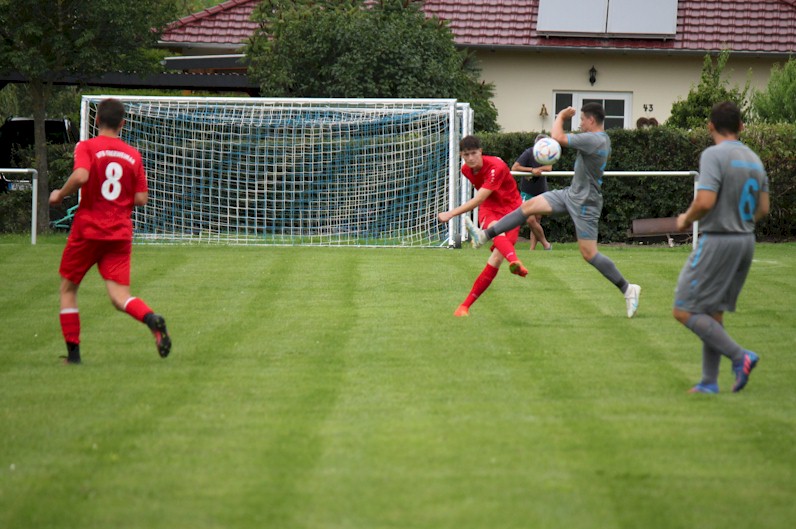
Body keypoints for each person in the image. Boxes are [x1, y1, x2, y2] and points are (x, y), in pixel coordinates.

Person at [465, 103, 641, 318]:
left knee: (589, 254)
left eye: (582, 120)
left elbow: (557, 137)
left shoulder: (595, 139)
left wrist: (561, 116)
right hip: (570, 194)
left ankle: (628, 288)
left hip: (586, 203)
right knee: (528, 206)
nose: (580, 124)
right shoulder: (597, 139)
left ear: (591, 120)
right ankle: (485, 235)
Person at [49, 98, 171, 364]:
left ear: (96, 120)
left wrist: (60, 194)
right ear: (123, 124)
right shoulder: (132, 155)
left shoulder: (87, 147)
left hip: (88, 230)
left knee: (68, 289)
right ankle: (151, 319)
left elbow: (81, 176)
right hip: (119, 232)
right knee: (119, 296)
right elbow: (141, 198)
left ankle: (73, 355)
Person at [673, 101, 769, 394]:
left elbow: (704, 202)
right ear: (741, 126)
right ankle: (709, 382)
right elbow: (763, 208)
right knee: (712, 312)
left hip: (719, 239)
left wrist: (684, 219)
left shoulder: (714, 155)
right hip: (745, 241)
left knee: (683, 309)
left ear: (710, 126)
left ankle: (741, 356)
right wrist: (739, 221)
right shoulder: (754, 159)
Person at [438, 135, 528, 317]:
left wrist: (451, 213)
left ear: (480, 151)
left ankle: (465, 305)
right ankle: (463, 308)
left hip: (512, 209)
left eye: (473, 153)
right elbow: (484, 200)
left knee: (495, 259)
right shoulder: (466, 170)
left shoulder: (496, 167)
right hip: (490, 208)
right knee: (496, 230)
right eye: (465, 155)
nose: (470, 159)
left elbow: (479, 197)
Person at [511, 134, 553, 251]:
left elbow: (549, 167)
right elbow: (515, 167)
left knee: (537, 219)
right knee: (530, 219)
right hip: (527, 191)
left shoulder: (547, 155)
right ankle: (546, 244)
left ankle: (532, 250)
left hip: (541, 190)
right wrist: (531, 170)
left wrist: (539, 170)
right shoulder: (528, 153)